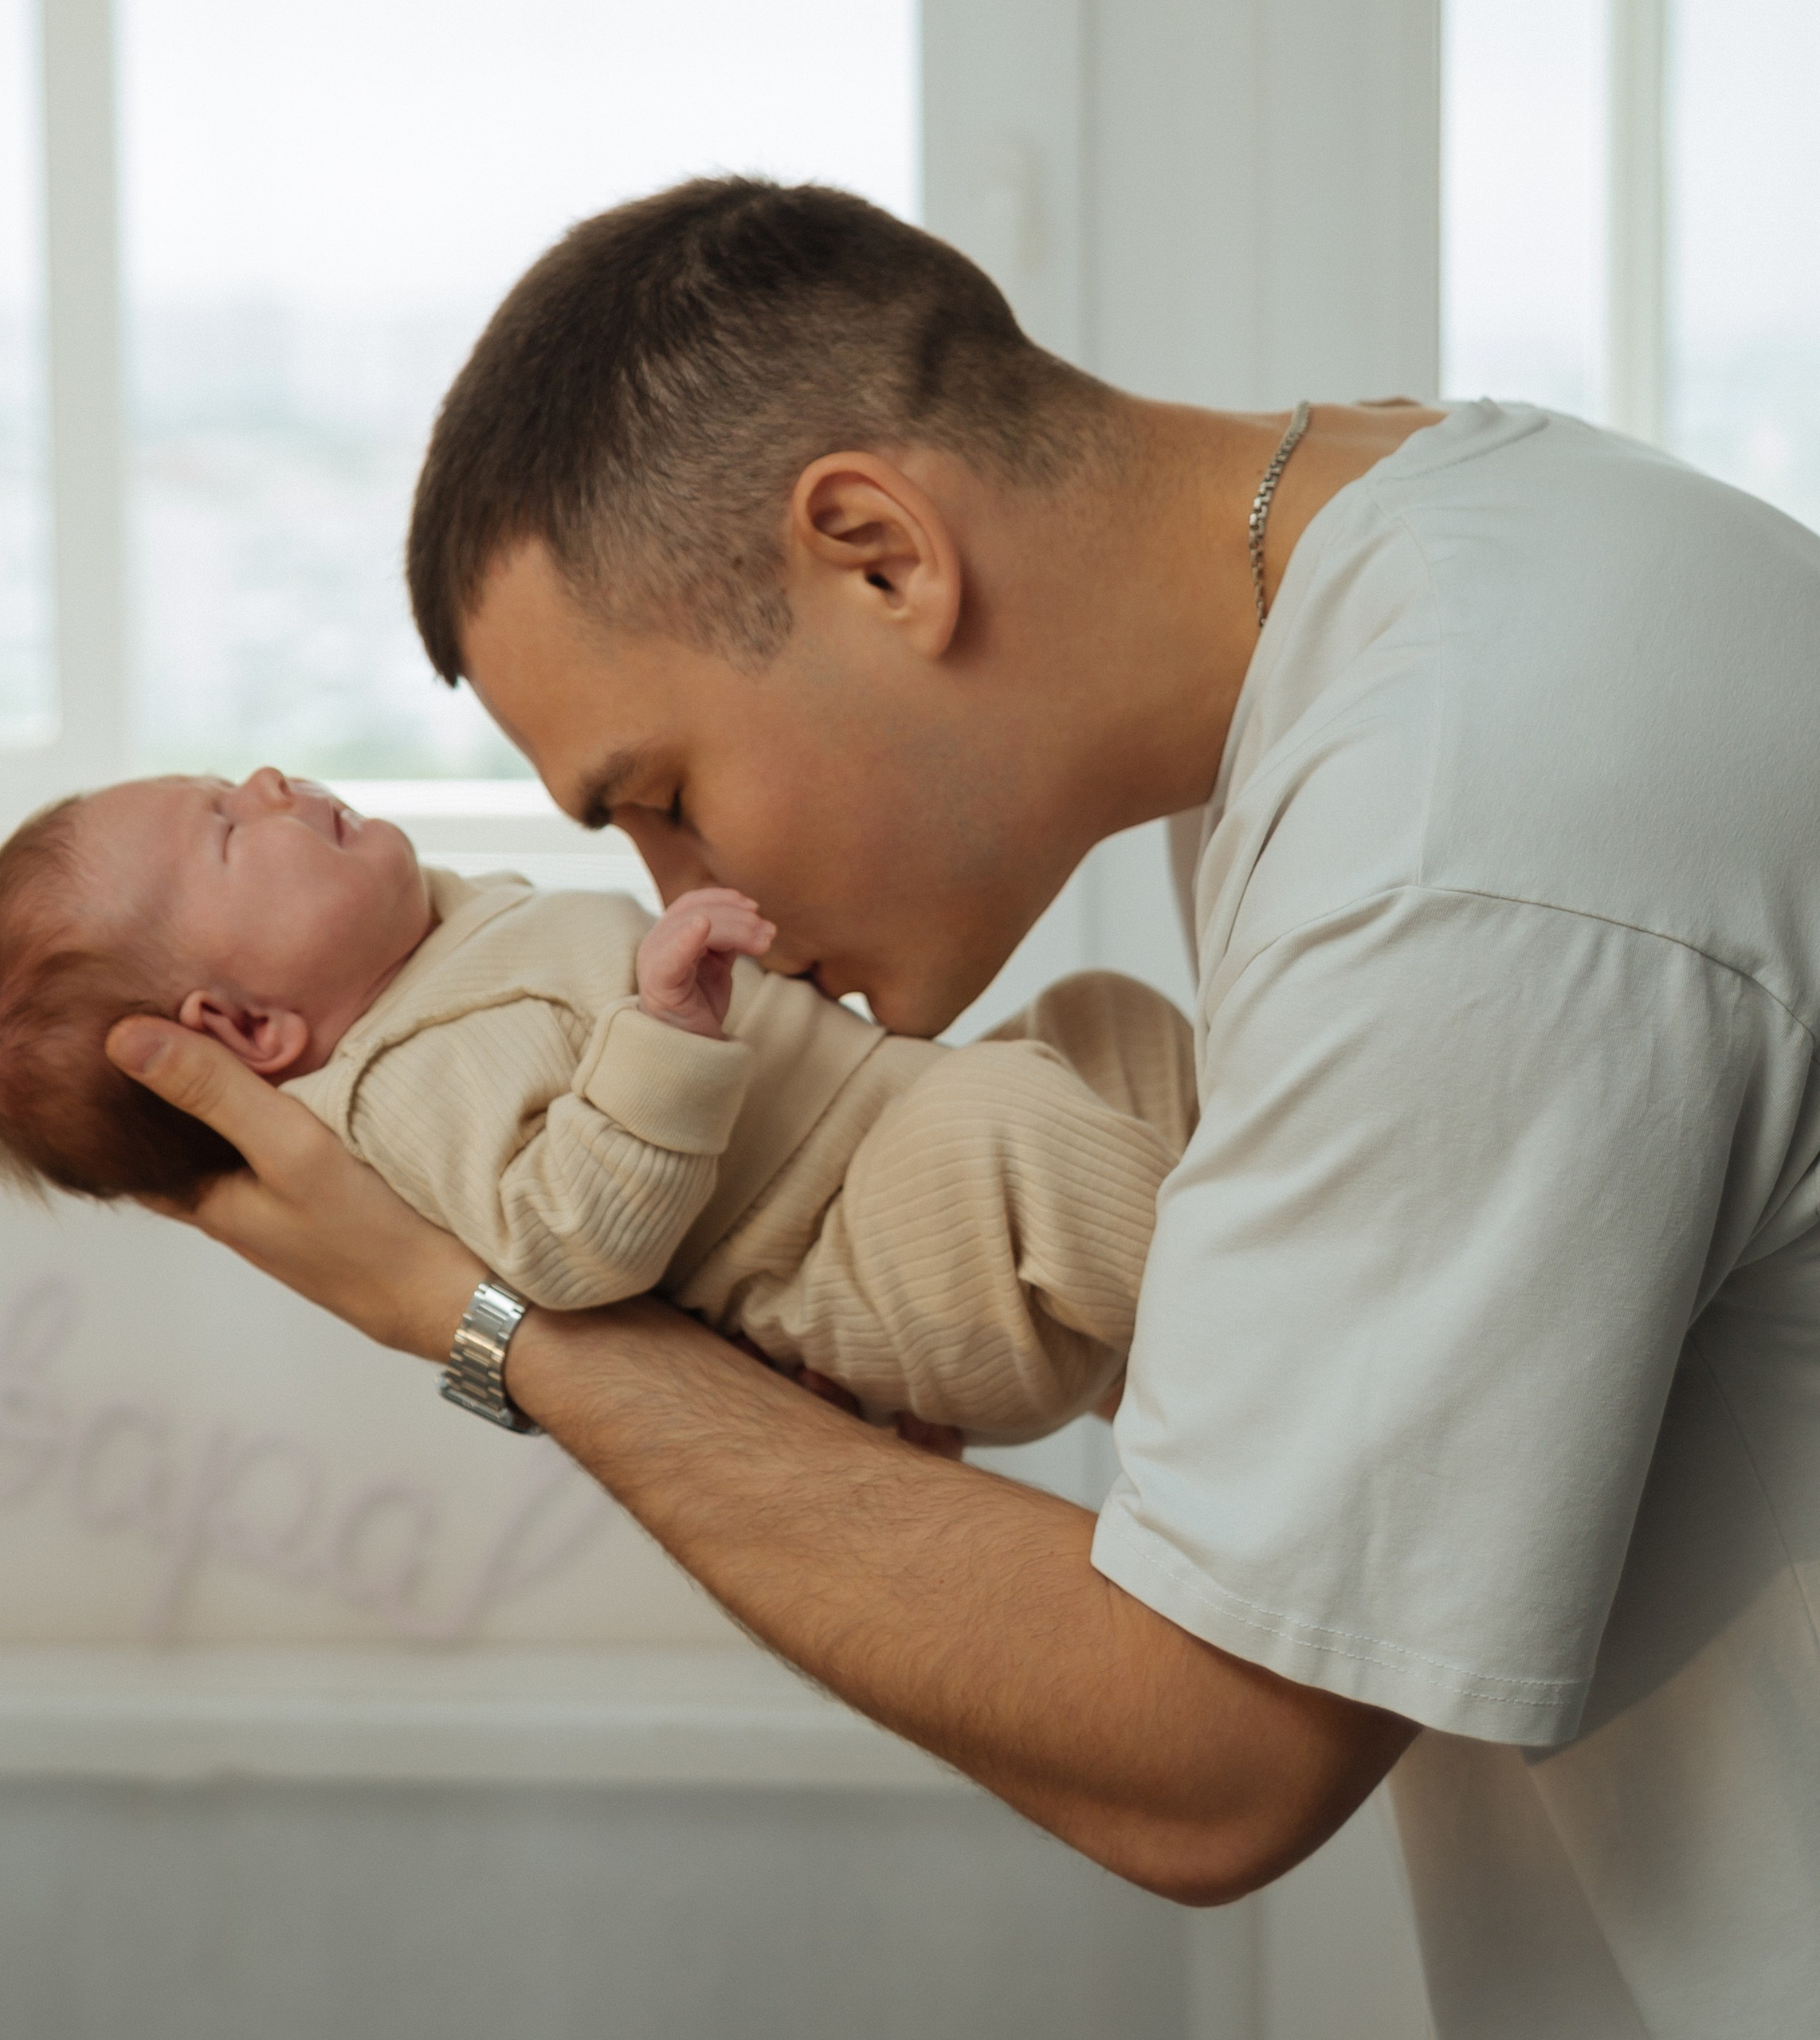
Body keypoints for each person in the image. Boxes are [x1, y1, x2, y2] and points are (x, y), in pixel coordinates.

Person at [101, 179, 1820, 2037]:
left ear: (877, 552)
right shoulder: (1422, 565)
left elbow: (1208, 1751)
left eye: (661, 790)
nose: (668, 892)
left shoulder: (1465, 837)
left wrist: (498, 1328)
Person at [0, 767, 1193, 1438]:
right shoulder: (404, 1083)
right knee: (1014, 1131)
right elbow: (565, 1246)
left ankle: (1145, 1360)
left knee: (1097, 1025)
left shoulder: (432, 950)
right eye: (227, 829)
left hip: (901, 1162)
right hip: (860, 1244)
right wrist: (668, 1035)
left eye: (228, 780)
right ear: (248, 1029)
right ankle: (1257, 1319)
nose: (265, 779)